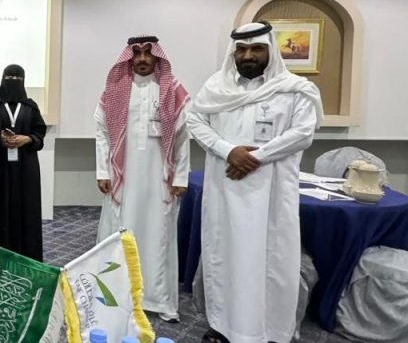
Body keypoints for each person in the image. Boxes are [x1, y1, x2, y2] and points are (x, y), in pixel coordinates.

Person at [189, 22, 322, 343]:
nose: (248, 55)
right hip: (226, 189)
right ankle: (223, 326)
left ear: (270, 50)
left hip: (271, 194)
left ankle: (271, 331)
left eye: (256, 48)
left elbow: (303, 133)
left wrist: (256, 157)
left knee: (271, 259)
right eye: (242, 49)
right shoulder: (216, 87)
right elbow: (195, 119)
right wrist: (228, 150)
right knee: (224, 254)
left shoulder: (295, 89)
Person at [94, 36, 191, 323]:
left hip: (159, 177)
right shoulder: (115, 90)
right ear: (130, 58)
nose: (142, 59)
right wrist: (103, 171)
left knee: (158, 233)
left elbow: (183, 138)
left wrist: (181, 176)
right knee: (119, 231)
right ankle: (116, 296)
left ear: (157, 58)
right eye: (137, 54)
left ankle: (158, 299)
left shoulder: (172, 90)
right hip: (122, 177)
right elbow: (102, 132)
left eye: (148, 54)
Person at [0, 64, 47, 262]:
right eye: (9, 77)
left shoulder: (31, 106)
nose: (13, 81)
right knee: (0, 210)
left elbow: (40, 133)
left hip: (26, 166)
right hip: (0, 166)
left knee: (27, 209)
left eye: (17, 78)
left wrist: (27, 139)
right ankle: (0, 261)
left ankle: (28, 259)